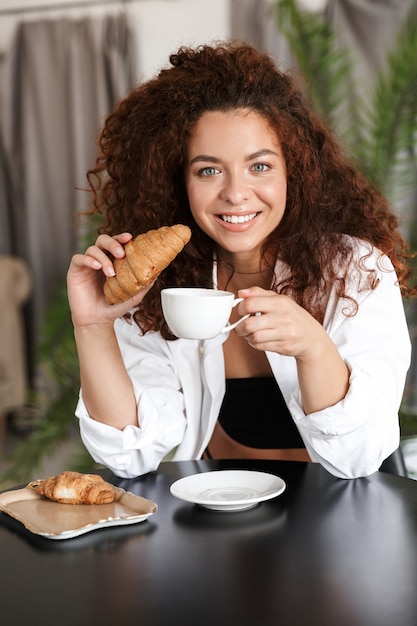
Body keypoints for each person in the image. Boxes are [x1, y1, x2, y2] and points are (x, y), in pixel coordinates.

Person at [67, 41, 414, 480]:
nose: (235, 193)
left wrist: (312, 347)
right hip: (215, 520)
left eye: (260, 166)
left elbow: (358, 459)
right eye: (208, 170)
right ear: (180, 181)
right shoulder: (158, 285)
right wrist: (93, 325)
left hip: (341, 520)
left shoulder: (355, 270)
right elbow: (128, 454)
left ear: (295, 170)